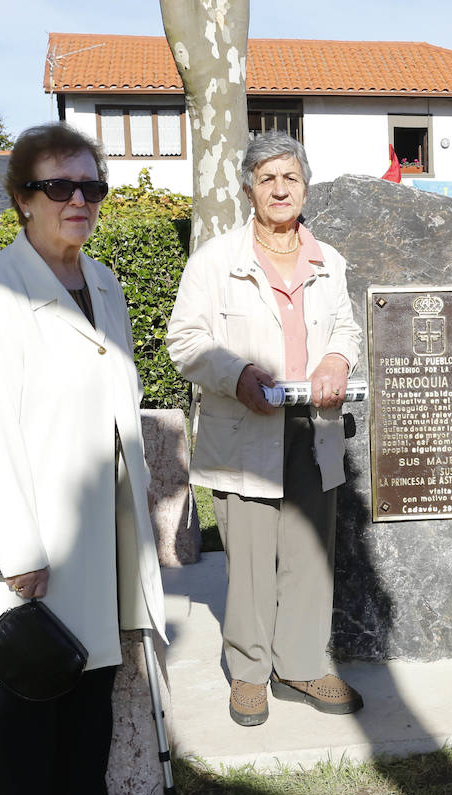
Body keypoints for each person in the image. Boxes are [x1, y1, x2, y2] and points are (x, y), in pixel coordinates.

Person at [0, 122, 164, 795]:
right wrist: (19, 550)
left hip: (97, 516)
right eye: (58, 186)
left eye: (91, 186)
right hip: (28, 528)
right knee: (24, 674)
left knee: (90, 666)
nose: (78, 200)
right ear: (21, 198)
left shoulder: (103, 282)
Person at [167, 131, 363, 727]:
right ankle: (249, 674)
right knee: (250, 561)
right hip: (246, 426)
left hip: (314, 426)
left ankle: (301, 664)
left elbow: (347, 330)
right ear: (248, 188)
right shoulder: (214, 262)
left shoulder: (329, 261)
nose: (281, 189)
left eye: (292, 178)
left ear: (305, 187)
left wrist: (336, 360)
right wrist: (237, 373)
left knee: (309, 553)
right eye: (268, 178)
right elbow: (186, 341)